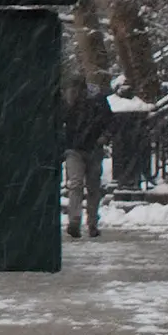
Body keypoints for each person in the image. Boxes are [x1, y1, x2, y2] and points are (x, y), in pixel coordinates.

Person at [63, 66, 114, 242]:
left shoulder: (98, 100)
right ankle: (75, 221)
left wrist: (104, 136)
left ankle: (92, 222)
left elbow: (109, 121)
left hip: (92, 148)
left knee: (92, 186)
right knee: (76, 184)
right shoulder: (67, 102)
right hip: (75, 149)